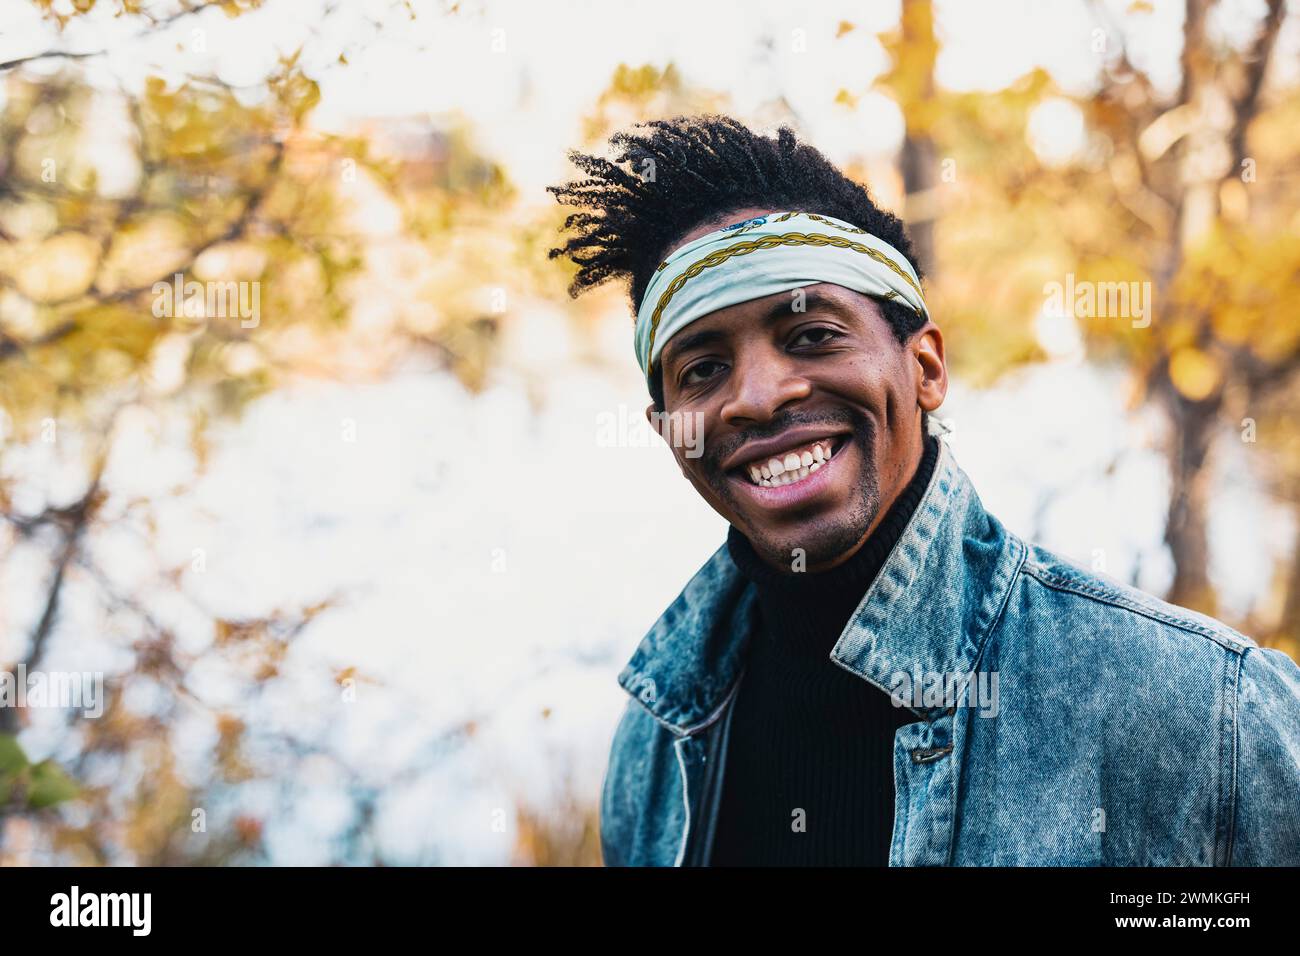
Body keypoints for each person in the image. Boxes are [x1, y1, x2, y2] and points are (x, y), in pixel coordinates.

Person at [547, 114, 1300, 866]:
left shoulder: (1202, 708)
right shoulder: (660, 738)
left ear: (926, 368)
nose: (760, 397)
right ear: (669, 429)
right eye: (703, 368)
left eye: (812, 335)